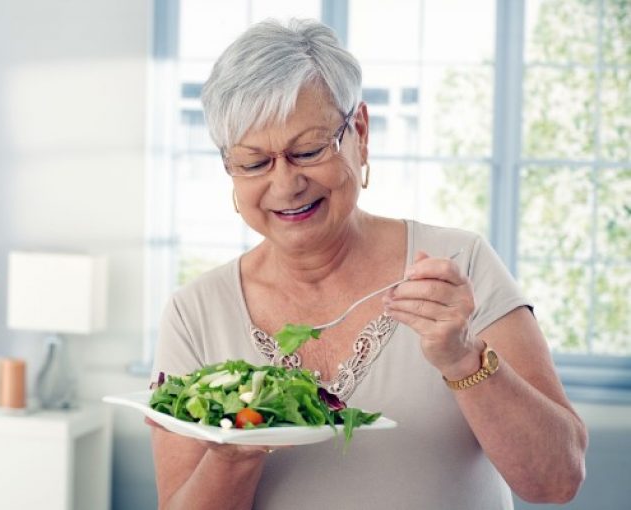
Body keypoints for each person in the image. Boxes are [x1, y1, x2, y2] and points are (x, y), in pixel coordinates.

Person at [150, 18, 586, 510]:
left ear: (359, 131)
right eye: (254, 163)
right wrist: (234, 450)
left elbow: (557, 481)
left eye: (309, 150)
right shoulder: (194, 313)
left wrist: (463, 358)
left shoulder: (458, 266)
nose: (286, 184)